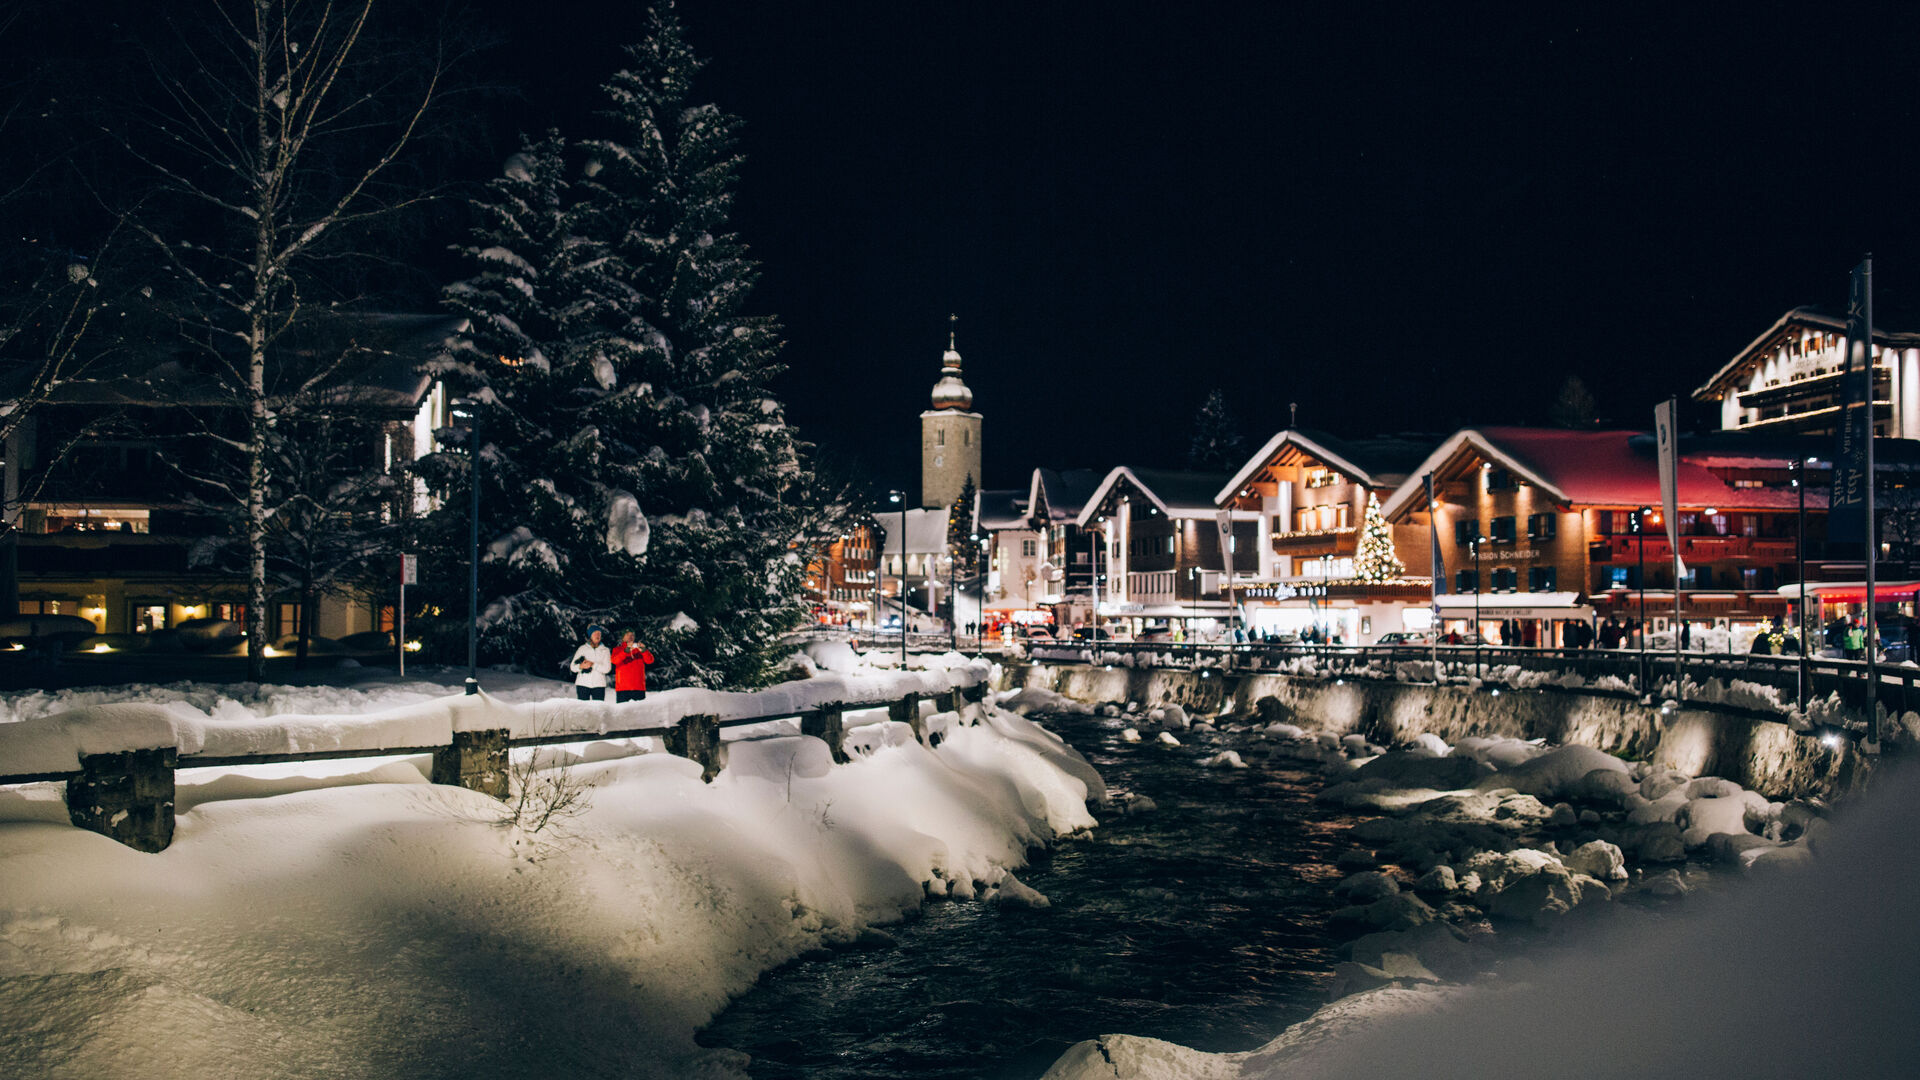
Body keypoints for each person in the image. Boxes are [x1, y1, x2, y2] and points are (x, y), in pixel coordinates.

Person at [567, 625, 613, 701]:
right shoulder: (582, 648)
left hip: (599, 684)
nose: (597, 635)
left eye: (599, 634)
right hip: (582, 684)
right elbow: (572, 667)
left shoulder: (605, 650)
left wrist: (593, 664)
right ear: (590, 635)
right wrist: (581, 666)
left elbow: (607, 669)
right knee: (583, 707)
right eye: (595, 633)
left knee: (598, 707)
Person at [608, 630, 655, 703]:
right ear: (623, 637)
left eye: (632, 635)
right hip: (622, 688)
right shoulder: (617, 649)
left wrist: (644, 650)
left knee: (639, 709)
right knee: (623, 710)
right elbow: (614, 660)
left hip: (638, 687)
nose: (630, 637)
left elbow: (650, 661)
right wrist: (625, 651)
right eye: (627, 634)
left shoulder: (639, 649)